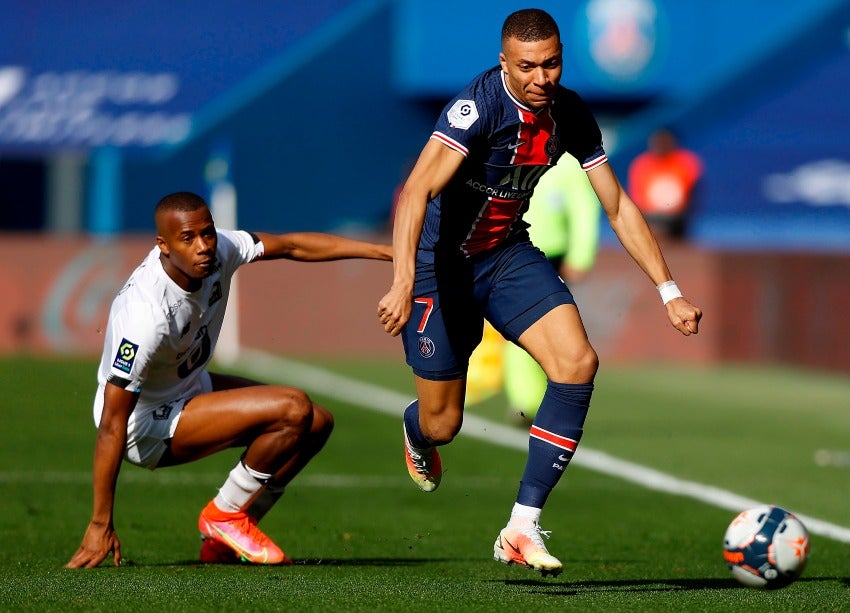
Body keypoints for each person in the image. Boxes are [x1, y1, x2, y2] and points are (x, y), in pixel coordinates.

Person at [376, 8, 701, 578]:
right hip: (438, 269)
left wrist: (668, 290)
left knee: (577, 363)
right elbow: (417, 192)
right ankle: (416, 427)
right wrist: (403, 281)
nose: (540, 77)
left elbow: (618, 206)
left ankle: (521, 526)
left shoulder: (571, 113)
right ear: (505, 62)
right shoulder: (476, 109)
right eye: (527, 66)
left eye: (550, 63)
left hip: (505, 255)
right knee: (443, 424)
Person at [67, 191, 392, 569]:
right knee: (293, 409)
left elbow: (291, 246)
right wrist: (99, 523)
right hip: (147, 425)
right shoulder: (143, 316)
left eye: (207, 233)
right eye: (187, 239)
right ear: (163, 246)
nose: (204, 246)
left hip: (188, 387)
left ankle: (225, 538)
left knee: (317, 423)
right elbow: (111, 424)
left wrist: (386, 253)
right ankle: (224, 516)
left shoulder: (221, 249)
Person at [502, 155, 601, 424]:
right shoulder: (510, 148)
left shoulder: (567, 161)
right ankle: (526, 401)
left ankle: (535, 400)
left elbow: (584, 207)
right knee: (517, 330)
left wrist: (580, 255)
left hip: (549, 254)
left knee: (549, 330)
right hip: (509, 252)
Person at [627, 127, 703, 240]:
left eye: (665, 141)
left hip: (676, 218)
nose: (661, 145)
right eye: (658, 141)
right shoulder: (642, 164)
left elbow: (692, 195)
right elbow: (637, 198)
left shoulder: (686, 162)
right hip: (649, 216)